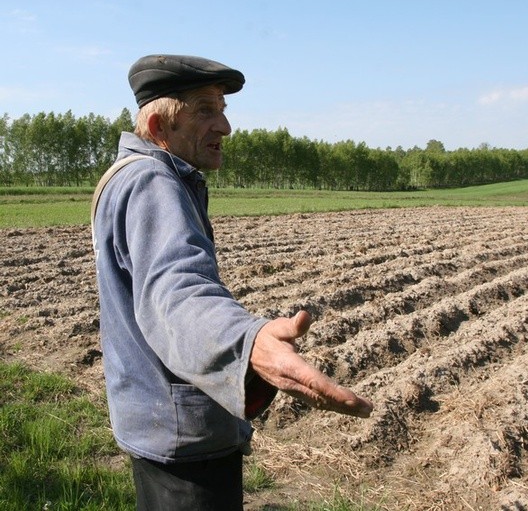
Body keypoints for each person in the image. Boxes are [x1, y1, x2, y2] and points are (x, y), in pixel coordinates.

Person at [91, 54, 373, 511]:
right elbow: (176, 289)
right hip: (184, 437)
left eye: (223, 108)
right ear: (160, 127)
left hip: (156, 420)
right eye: (205, 110)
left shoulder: (131, 176)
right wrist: (247, 342)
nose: (225, 126)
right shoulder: (152, 182)